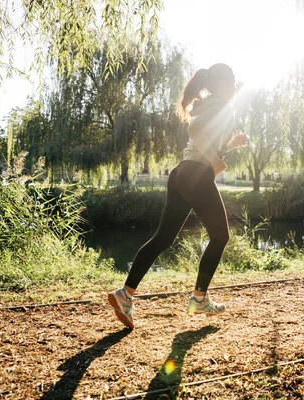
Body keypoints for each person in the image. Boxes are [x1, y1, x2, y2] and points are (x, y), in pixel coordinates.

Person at [108, 63, 248, 329]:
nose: (234, 86)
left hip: (181, 174)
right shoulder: (222, 105)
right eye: (231, 81)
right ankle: (199, 297)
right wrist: (215, 161)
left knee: (163, 238)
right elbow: (195, 132)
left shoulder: (210, 104)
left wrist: (229, 146)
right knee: (220, 237)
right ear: (220, 83)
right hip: (197, 175)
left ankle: (125, 294)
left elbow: (205, 141)